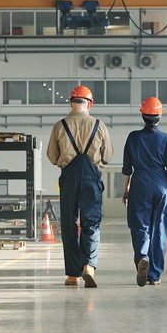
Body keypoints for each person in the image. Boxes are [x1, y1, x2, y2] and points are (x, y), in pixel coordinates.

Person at [46, 85, 113, 288]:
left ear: (71, 102)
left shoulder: (60, 125)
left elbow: (52, 156)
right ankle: (89, 266)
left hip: (69, 178)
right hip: (91, 179)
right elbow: (108, 156)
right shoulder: (99, 125)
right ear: (90, 104)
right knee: (90, 223)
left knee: (69, 224)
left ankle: (73, 275)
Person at [122, 97, 167, 287]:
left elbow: (127, 168)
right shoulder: (166, 139)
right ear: (159, 116)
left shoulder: (133, 137)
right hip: (162, 185)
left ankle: (141, 257)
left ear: (142, 114)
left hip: (139, 183)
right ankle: (154, 276)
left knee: (140, 226)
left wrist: (126, 190)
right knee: (160, 230)